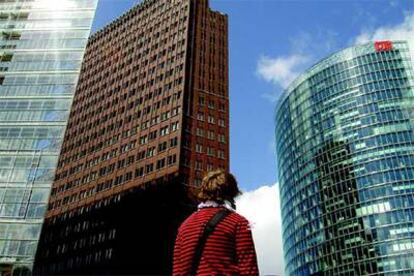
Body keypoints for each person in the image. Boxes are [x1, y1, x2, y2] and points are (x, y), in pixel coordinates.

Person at [173, 170, 259, 275]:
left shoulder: (184, 226)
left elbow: (177, 272)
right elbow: (249, 270)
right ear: (231, 194)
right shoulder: (238, 223)